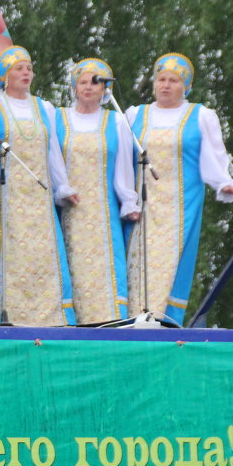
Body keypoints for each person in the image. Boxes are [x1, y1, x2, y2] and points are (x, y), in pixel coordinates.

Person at [125, 53, 233, 323]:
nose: (165, 85)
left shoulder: (200, 115)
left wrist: (224, 182)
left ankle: (160, 321)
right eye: (161, 79)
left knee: (168, 264)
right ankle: (131, 320)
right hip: (142, 203)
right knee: (136, 262)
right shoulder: (135, 115)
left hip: (180, 204)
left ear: (185, 86)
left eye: (173, 81)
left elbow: (212, 158)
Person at [0, 45, 78, 326]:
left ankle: (49, 317)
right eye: (19, 68)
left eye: (29, 68)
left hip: (38, 197)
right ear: (4, 75)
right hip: (9, 193)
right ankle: (10, 314)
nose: (26, 73)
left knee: (42, 254)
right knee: (11, 254)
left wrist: (62, 186)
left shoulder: (44, 107)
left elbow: (52, 151)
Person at [56, 58, 140, 322]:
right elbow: (49, 160)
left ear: (105, 89)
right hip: (69, 208)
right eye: (82, 82)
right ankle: (73, 320)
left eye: (95, 82)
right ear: (74, 86)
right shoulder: (58, 118)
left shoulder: (115, 122)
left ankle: (108, 318)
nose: (89, 87)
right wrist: (61, 189)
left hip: (103, 211)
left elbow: (124, 167)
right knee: (70, 262)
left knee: (106, 263)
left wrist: (128, 201)